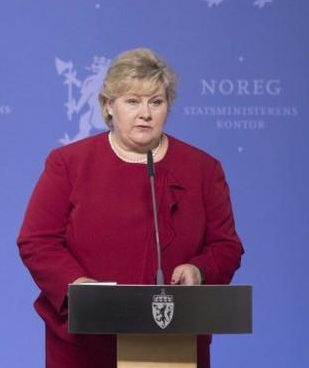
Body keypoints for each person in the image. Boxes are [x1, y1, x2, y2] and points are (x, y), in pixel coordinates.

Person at [17, 48, 243, 368]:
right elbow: (37, 241)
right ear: (109, 106)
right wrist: (77, 285)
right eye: (132, 101)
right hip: (86, 341)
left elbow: (226, 246)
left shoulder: (203, 169)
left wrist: (200, 270)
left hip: (173, 339)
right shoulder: (69, 164)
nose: (145, 114)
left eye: (156, 102)